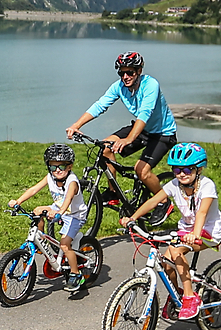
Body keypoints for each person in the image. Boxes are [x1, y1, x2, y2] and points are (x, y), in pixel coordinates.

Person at [116, 142, 221, 320]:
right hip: (185, 231)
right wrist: (132, 218)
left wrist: (194, 234)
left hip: (208, 232)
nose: (181, 174)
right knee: (165, 262)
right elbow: (153, 201)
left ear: (198, 170)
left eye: (187, 170)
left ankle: (189, 297)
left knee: (175, 250)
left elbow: (202, 212)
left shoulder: (206, 186)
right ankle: (176, 294)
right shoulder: (174, 185)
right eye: (177, 170)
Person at [66, 51, 177, 214]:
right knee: (105, 148)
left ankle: (164, 202)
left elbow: (145, 113)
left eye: (130, 72)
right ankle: (113, 193)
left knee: (142, 171)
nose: (125, 76)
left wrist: (129, 139)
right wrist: (77, 125)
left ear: (139, 71)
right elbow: (100, 105)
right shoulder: (119, 87)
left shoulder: (151, 85)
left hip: (162, 133)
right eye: (121, 73)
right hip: (142, 129)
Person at [7, 142, 94, 294]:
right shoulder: (50, 177)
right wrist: (18, 201)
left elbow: (67, 199)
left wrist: (59, 211)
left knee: (65, 245)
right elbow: (34, 189)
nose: (57, 170)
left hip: (74, 214)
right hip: (59, 209)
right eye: (53, 167)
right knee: (37, 211)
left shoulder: (72, 182)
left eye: (61, 166)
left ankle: (75, 274)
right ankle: (41, 242)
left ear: (70, 166)